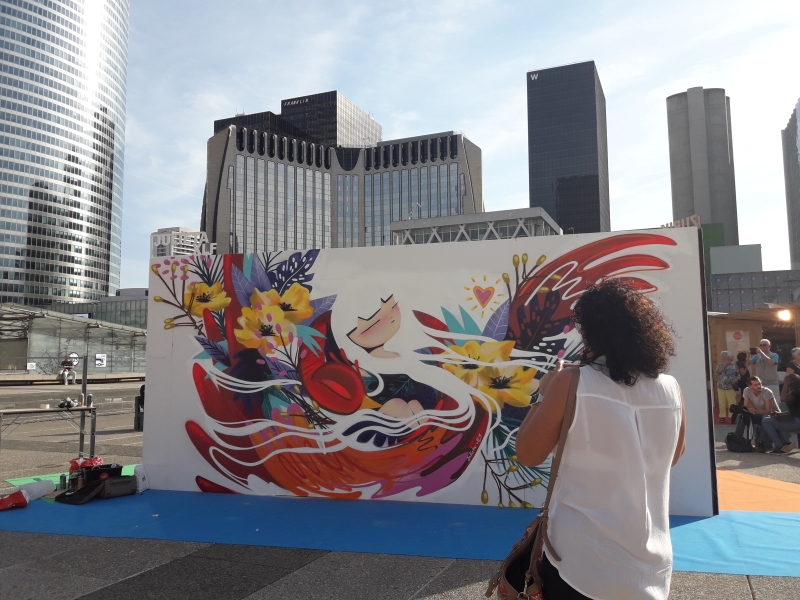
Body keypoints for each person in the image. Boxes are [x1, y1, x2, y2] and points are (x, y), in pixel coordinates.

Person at [515, 279, 685, 600]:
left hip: (580, 560)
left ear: (591, 331)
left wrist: (543, 393)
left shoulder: (571, 381)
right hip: (651, 563)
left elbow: (527, 453)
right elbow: (672, 456)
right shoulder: (670, 387)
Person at [734, 376, 778, 451]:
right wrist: (746, 411)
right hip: (758, 413)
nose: (759, 386)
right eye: (756, 385)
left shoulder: (767, 392)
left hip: (773, 416)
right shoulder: (747, 390)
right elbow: (745, 406)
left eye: (759, 384)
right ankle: (737, 438)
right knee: (741, 416)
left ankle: (761, 442)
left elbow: (769, 411)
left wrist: (754, 411)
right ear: (750, 386)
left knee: (765, 418)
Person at [762, 373, 800, 455]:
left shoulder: (796, 392)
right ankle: (784, 443)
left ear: (790, 381)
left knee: (766, 421)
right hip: (795, 419)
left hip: (797, 422)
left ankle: (779, 446)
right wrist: (780, 414)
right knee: (773, 418)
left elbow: (783, 399)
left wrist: (785, 385)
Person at [714, 351, 739, 423]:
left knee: (732, 402)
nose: (723, 358)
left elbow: (738, 375)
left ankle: (732, 416)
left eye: (725, 356)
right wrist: (724, 365)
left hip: (730, 387)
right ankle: (722, 416)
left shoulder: (734, 365)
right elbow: (716, 373)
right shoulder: (719, 365)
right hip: (721, 386)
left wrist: (735, 380)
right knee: (722, 402)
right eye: (722, 357)